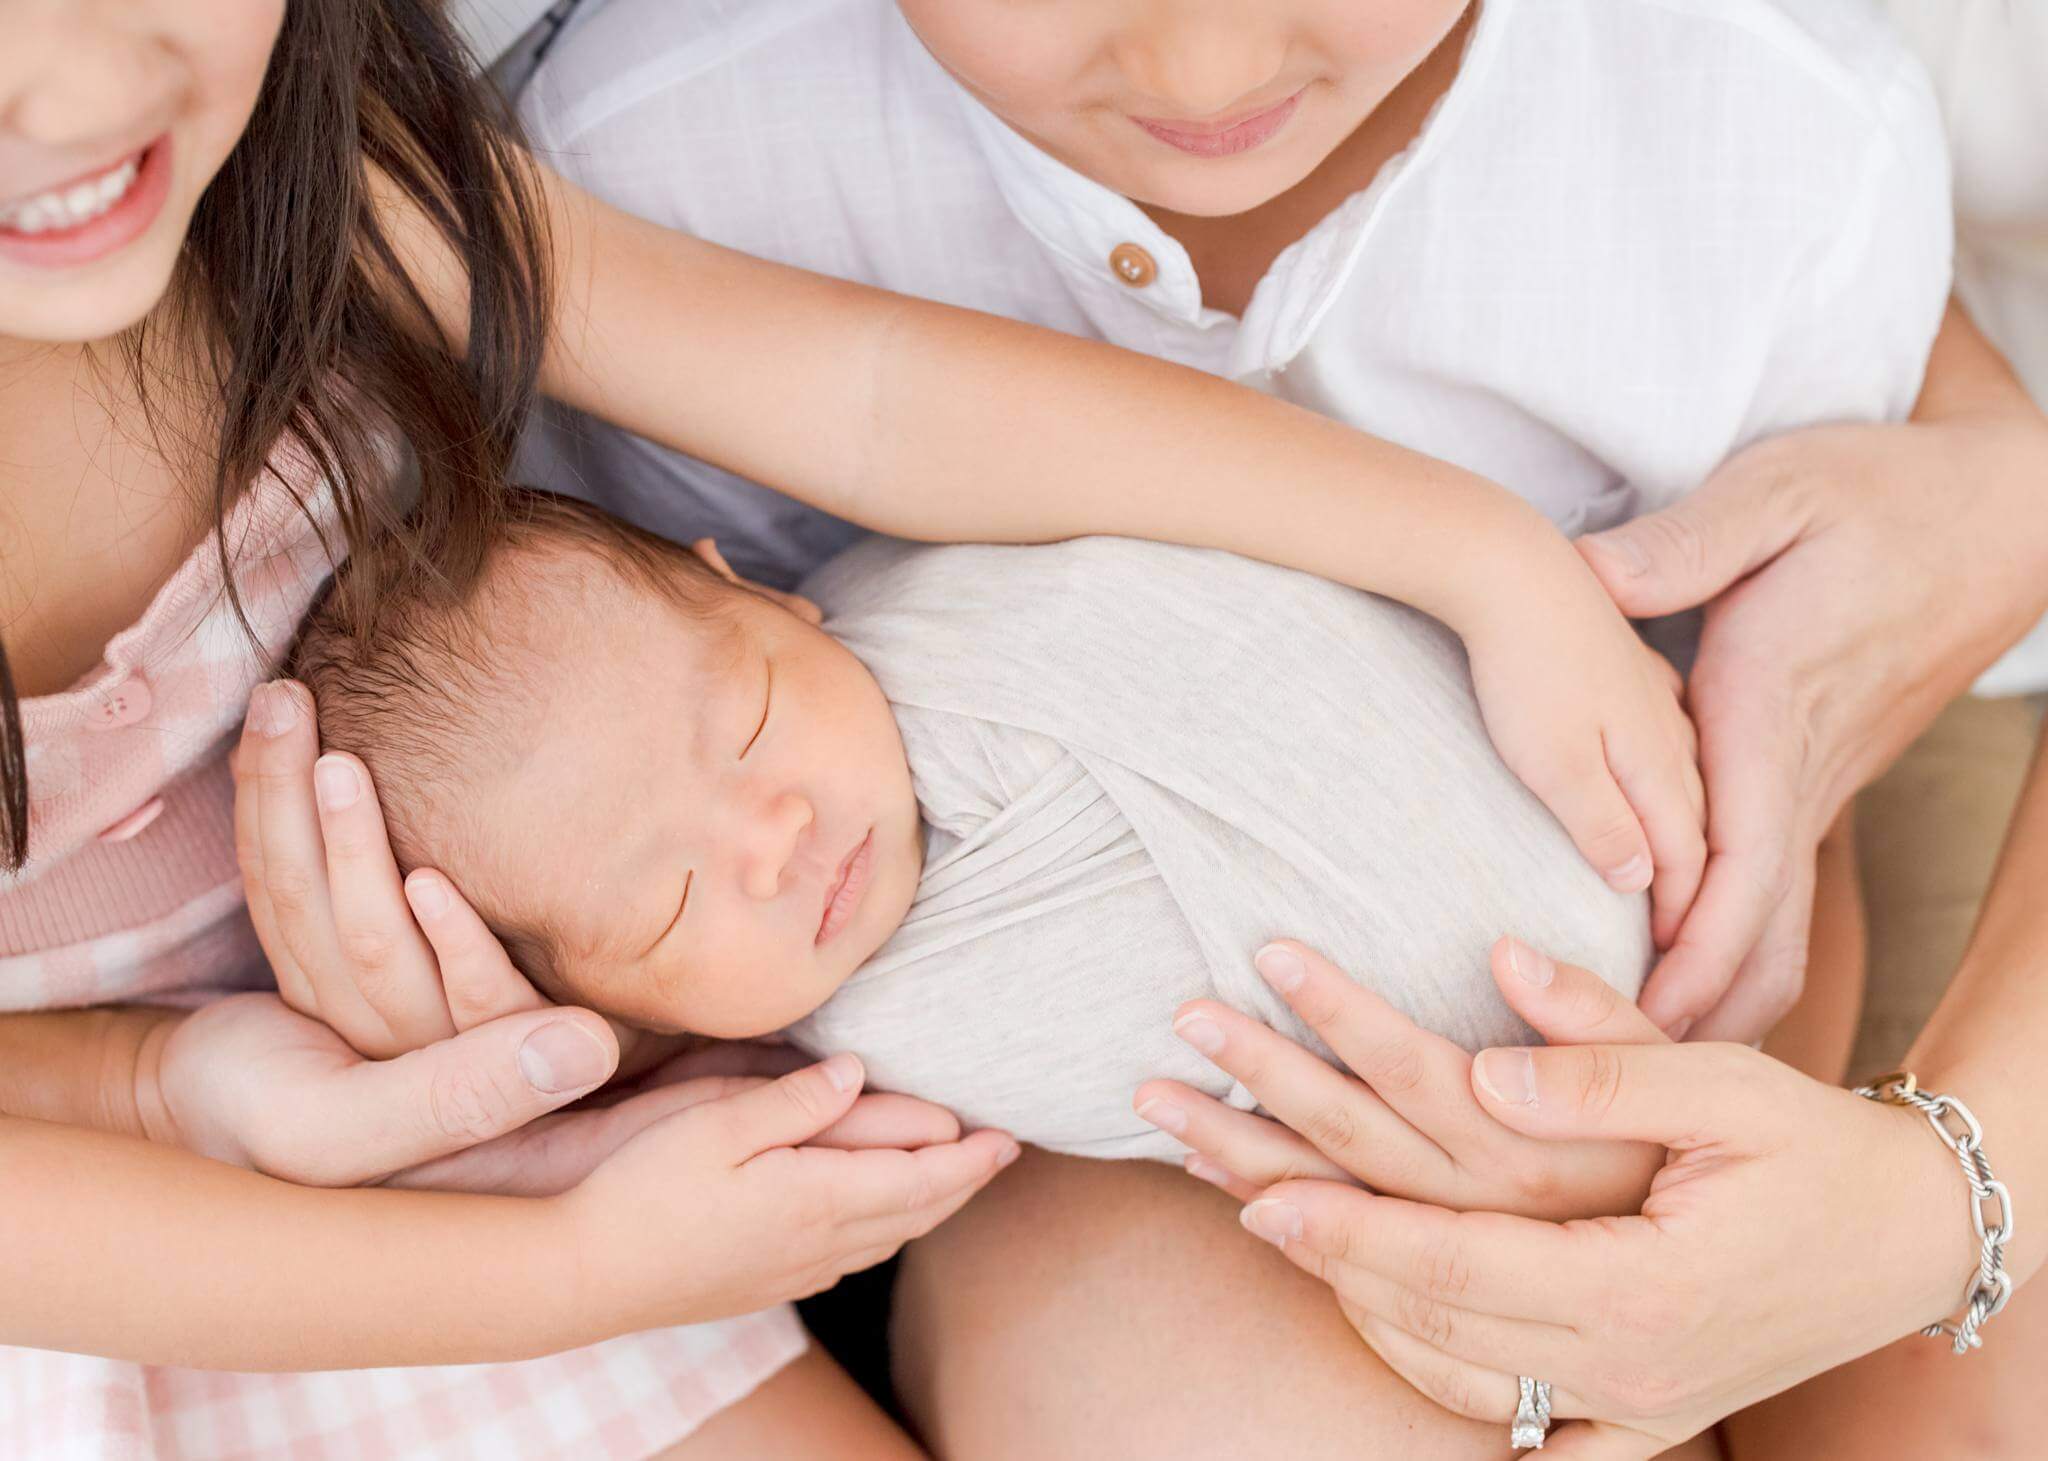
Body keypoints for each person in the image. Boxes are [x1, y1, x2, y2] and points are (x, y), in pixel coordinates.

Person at [0, 0, 1731, 1453]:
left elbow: (872, 394)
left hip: (473, 1163)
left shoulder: (315, 191)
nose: (72, 89)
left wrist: (1473, 553)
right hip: (128, 1261)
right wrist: (558, 1262)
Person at [286, 491, 1661, 1174]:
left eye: (755, 714)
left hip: (1606, 833)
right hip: (1535, 1102)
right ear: (617, 1011)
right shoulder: (820, 1087)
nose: (773, 832)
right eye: (665, 904)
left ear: (765, 594)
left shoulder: (960, 604)